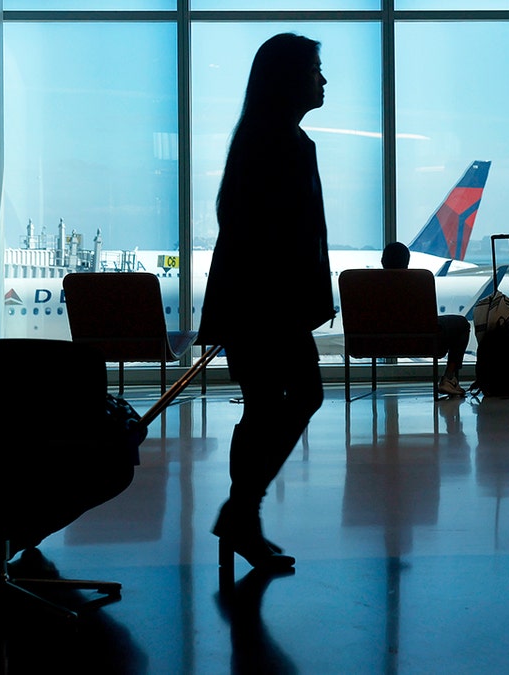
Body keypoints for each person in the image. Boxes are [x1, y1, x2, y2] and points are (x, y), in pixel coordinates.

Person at [197, 32, 332, 570]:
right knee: (302, 395)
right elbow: (290, 238)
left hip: (247, 304)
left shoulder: (254, 137)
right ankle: (241, 513)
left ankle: (242, 519)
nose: (323, 80)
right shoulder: (287, 144)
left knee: (264, 407)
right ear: (290, 77)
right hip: (270, 306)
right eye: (316, 69)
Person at [380, 241, 470, 396]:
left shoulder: (365, 285)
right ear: (407, 262)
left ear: (382, 261)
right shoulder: (419, 281)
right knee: (461, 323)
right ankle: (449, 378)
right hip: (421, 341)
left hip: (377, 342)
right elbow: (428, 319)